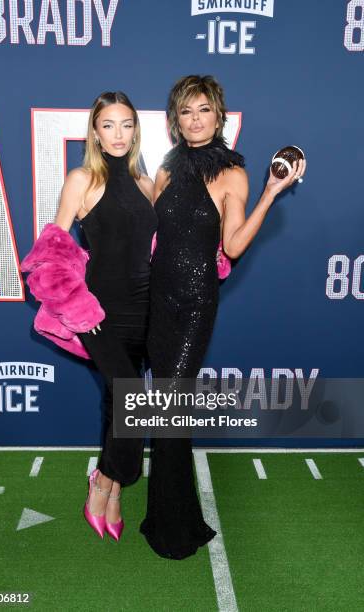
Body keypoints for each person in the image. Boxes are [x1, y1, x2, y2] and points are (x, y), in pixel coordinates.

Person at [139, 74, 306, 559]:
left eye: (203, 110)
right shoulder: (168, 167)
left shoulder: (233, 173)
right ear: (176, 120)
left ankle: (175, 530)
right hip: (158, 298)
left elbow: (232, 246)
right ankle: (172, 516)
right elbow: (152, 235)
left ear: (219, 116)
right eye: (186, 112)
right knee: (163, 414)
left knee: (170, 410)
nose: (194, 120)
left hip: (194, 304)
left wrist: (270, 194)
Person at [23, 91, 157, 541]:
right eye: (108, 125)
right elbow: (52, 251)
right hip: (98, 313)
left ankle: (112, 491)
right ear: (95, 133)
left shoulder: (146, 183)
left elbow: (157, 252)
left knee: (115, 405)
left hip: (143, 311)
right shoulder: (82, 178)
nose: (118, 134)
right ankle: (102, 480)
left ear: (136, 130)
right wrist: (77, 307)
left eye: (126, 124)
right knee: (133, 398)